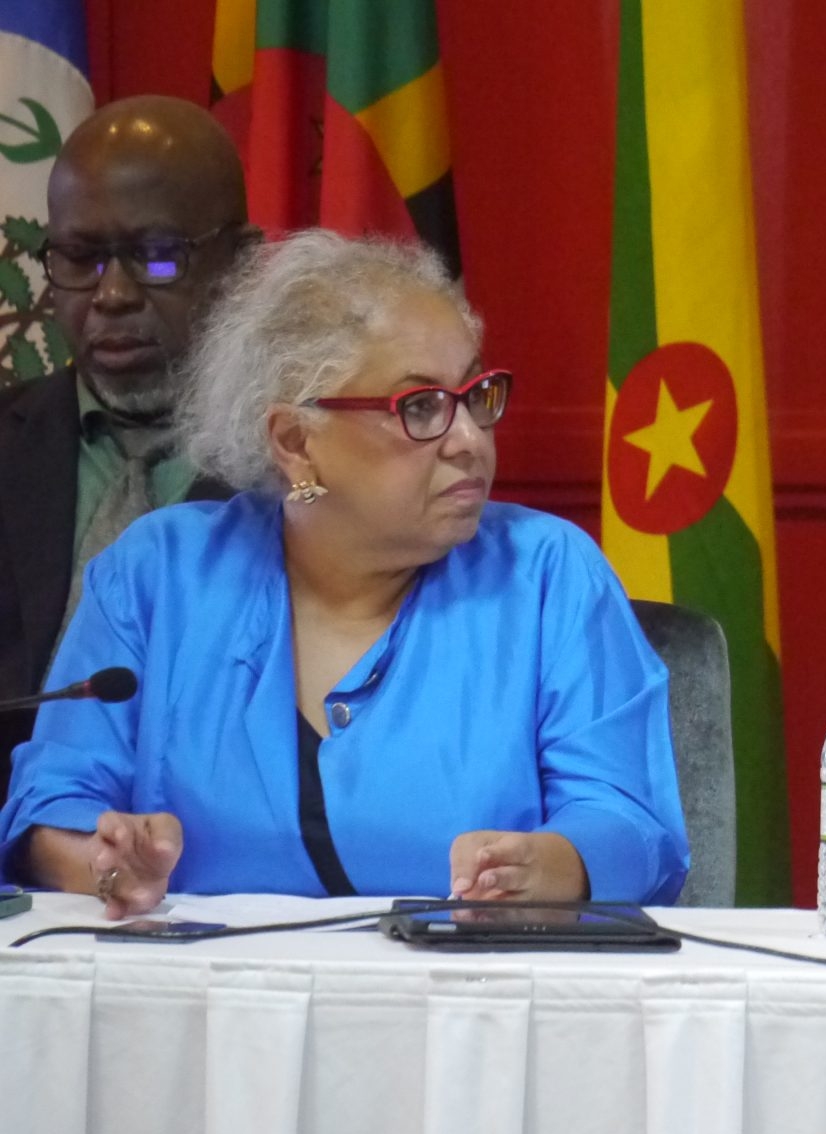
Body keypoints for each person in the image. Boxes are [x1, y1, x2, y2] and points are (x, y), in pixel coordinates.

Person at [0, 230, 690, 915]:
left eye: (476, 395)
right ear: (296, 443)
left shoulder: (547, 576)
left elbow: (630, 821)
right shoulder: (156, 576)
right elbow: (51, 805)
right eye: (420, 407)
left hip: (471, 1005)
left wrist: (556, 864)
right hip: (207, 1008)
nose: (470, 440)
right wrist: (107, 863)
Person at [0, 96, 255, 799]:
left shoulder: (300, 465)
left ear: (242, 263)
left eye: (157, 258)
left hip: (224, 868)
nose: (111, 294)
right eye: (79, 259)